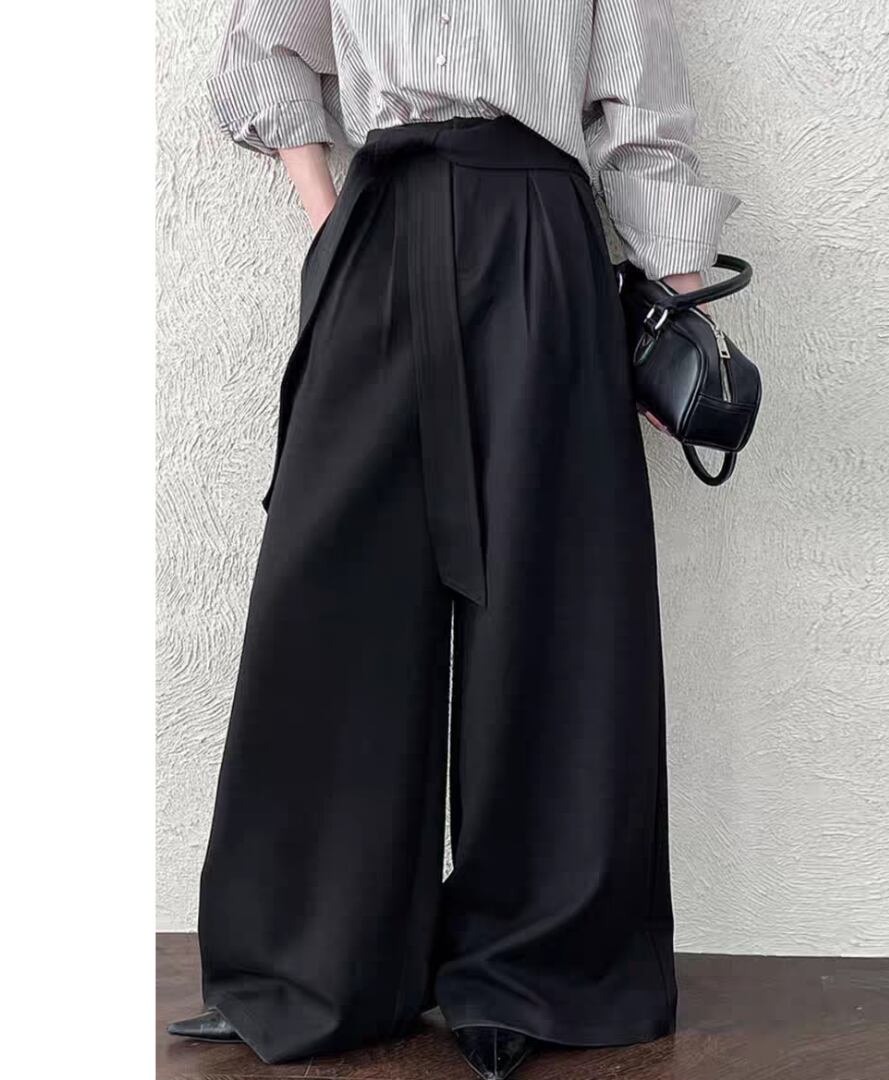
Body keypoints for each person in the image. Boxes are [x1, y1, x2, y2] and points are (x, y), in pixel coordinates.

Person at [167, 2, 739, 1077]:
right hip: (380, 226)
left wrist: (675, 307)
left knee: (549, 596)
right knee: (329, 594)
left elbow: (641, 109)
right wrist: (330, 217)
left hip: (539, 230)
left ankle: (535, 971)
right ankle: (313, 964)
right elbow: (262, 50)